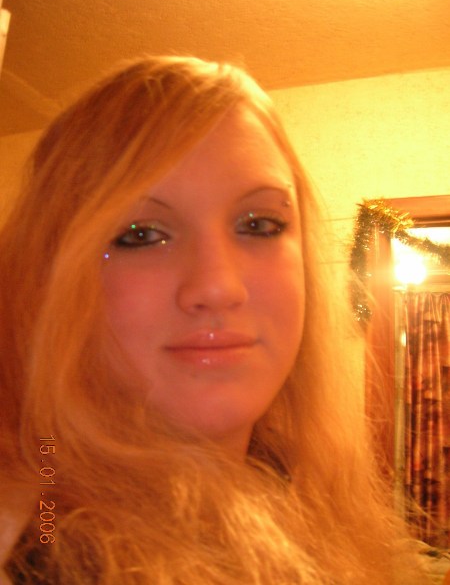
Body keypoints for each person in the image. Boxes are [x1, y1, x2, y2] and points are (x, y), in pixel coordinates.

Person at [0, 55, 430, 584]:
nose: (218, 287)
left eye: (259, 224)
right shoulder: (37, 546)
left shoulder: (307, 489)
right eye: (140, 234)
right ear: (49, 278)